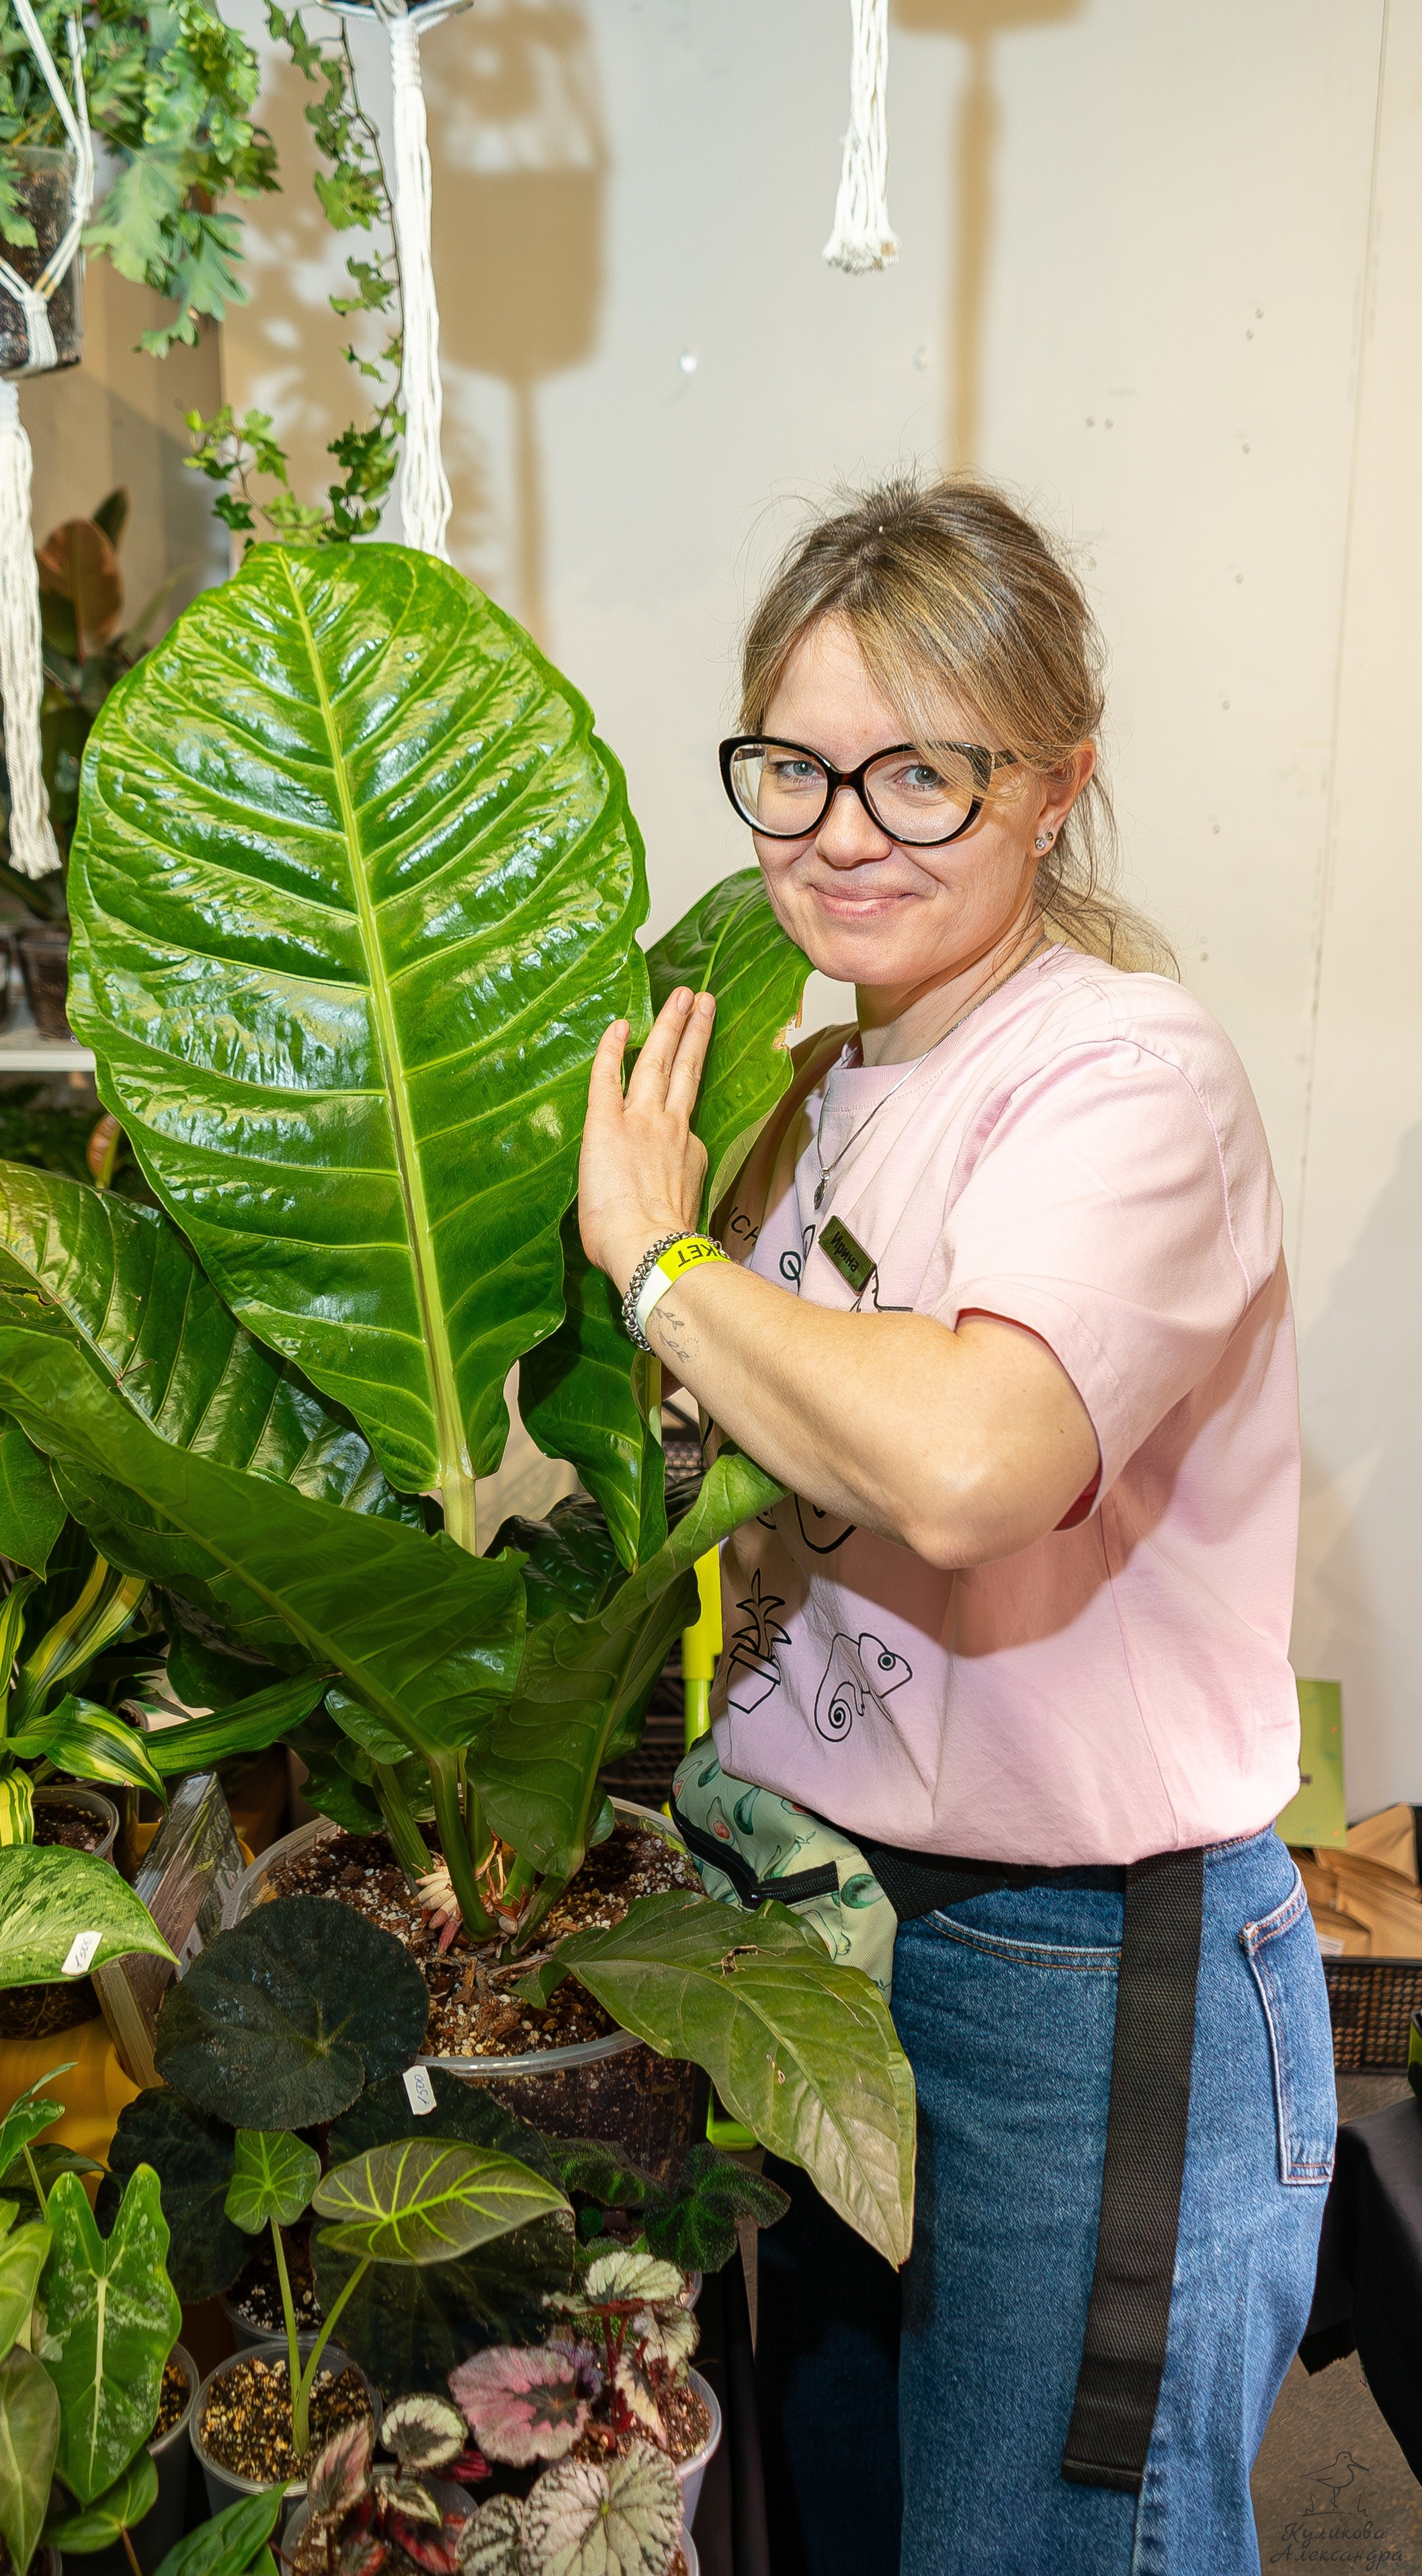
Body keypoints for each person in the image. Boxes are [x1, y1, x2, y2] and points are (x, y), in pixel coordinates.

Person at [575, 475, 1333, 2576]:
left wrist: (658, 1264)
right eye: (795, 768)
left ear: (1054, 782)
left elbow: (974, 1463)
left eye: (920, 773)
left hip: (1070, 1979)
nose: (842, 830)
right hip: (827, 1936)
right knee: (841, 2523)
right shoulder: (812, 1091)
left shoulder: (1124, 1074)